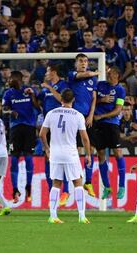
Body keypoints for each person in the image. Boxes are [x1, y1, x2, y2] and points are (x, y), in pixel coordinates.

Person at [40, 88, 91, 224]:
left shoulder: (51, 113)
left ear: (61, 99)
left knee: (56, 184)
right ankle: (81, 216)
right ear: (73, 99)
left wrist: (46, 148)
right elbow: (85, 138)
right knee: (78, 183)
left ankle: (53, 216)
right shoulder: (78, 115)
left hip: (55, 154)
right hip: (70, 154)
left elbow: (42, 134)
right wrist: (88, 154)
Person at [2, 70, 39, 203]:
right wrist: (11, 111)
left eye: (12, 79)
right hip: (15, 129)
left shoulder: (30, 90)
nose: (10, 81)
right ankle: (15, 189)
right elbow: (4, 109)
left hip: (29, 127)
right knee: (14, 159)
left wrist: (33, 96)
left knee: (29, 158)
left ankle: (28, 186)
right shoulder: (8, 93)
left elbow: (38, 107)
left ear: (19, 79)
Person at [37, 64, 70, 206]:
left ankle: (66, 192)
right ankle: (53, 193)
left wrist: (50, 88)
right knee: (48, 158)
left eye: (48, 71)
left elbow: (63, 100)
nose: (46, 74)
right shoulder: (45, 88)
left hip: (62, 125)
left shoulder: (63, 85)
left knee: (64, 158)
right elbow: (39, 102)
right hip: (49, 124)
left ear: (54, 72)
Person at [93, 67, 126, 199]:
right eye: (107, 72)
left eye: (111, 72)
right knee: (100, 154)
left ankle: (122, 186)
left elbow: (118, 110)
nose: (108, 74)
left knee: (117, 152)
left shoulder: (120, 90)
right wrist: (102, 100)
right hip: (98, 125)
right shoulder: (100, 85)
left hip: (112, 124)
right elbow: (92, 101)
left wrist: (102, 116)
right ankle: (107, 187)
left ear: (117, 75)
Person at [67, 53, 98, 197]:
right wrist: (96, 72)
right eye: (81, 61)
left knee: (90, 148)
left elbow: (93, 98)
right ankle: (72, 183)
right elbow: (81, 75)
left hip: (87, 118)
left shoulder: (93, 79)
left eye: (85, 61)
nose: (83, 63)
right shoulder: (72, 75)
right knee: (75, 150)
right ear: (76, 64)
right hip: (73, 117)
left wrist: (91, 115)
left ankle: (89, 181)